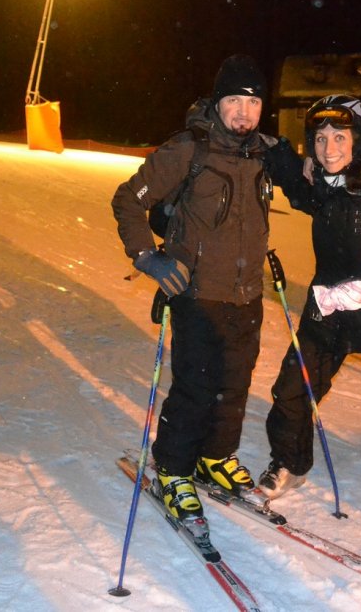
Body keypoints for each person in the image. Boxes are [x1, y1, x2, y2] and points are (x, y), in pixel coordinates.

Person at [111, 54, 276, 522]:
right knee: (195, 391)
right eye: (234, 101)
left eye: (253, 102)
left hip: (247, 295)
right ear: (217, 103)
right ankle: (175, 469)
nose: (244, 112)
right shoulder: (189, 149)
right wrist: (147, 256)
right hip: (198, 295)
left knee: (235, 387)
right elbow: (127, 199)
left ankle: (215, 457)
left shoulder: (264, 152)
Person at [256, 94, 361, 498]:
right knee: (292, 388)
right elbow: (284, 172)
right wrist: (273, 149)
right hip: (328, 306)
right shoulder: (319, 187)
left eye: (339, 137)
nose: (329, 148)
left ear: (360, 138)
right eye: (319, 139)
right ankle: (289, 462)